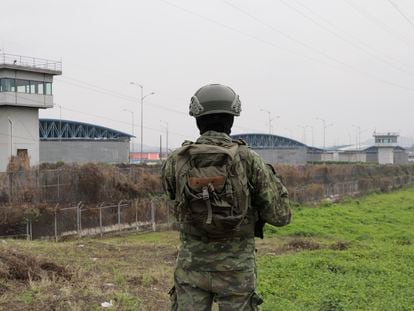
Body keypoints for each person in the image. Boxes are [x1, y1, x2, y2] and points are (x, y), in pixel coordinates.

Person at [161, 84, 291, 310]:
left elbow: (175, 201)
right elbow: (280, 216)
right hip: (237, 271)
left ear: (197, 119)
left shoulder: (176, 160)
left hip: (192, 267)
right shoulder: (249, 159)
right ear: (232, 119)